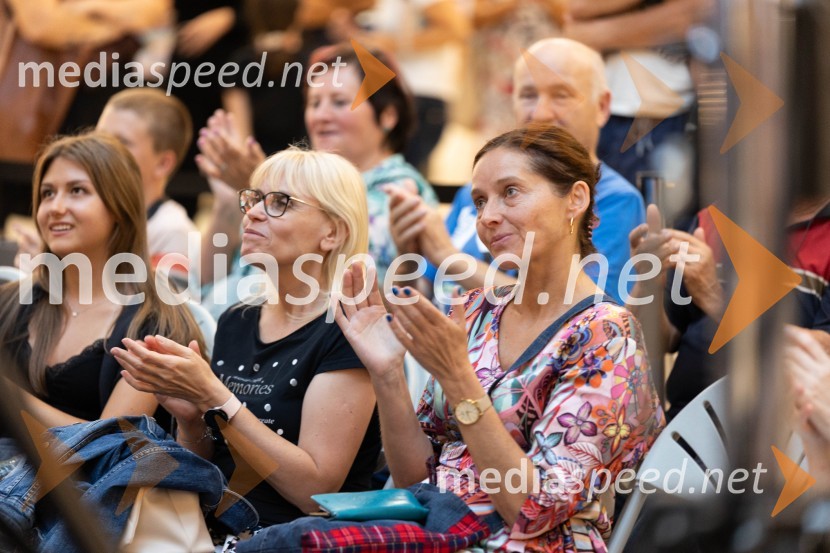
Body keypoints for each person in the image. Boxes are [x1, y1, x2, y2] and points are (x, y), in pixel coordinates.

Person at [334, 125, 665, 551]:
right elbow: (416, 481)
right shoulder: (475, 311)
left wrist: (459, 379)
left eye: (510, 192)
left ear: (575, 199)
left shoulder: (607, 335)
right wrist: (388, 373)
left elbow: (532, 509)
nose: (487, 216)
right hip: (436, 530)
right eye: (479, 201)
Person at [112, 148, 382, 537]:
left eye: (280, 202)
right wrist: (191, 418)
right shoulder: (236, 320)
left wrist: (214, 396)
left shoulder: (348, 329)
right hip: (205, 529)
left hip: (293, 537)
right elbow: (204, 466)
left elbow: (315, 492)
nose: (253, 213)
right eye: (253, 199)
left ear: (333, 233)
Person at [389, 38, 645, 303]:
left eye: (561, 95)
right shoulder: (475, 192)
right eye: (528, 95)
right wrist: (407, 258)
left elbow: (586, 310)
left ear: (602, 106)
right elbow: (423, 296)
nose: (540, 113)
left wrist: (450, 258)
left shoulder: (614, 199)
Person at [196, 43, 438, 315]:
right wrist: (228, 204)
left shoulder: (402, 192)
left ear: (387, 115)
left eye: (339, 102)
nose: (321, 116)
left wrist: (266, 191)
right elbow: (205, 284)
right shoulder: (292, 179)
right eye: (314, 103)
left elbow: (381, 307)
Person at [0, 132, 205, 431]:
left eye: (77, 191)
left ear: (119, 207)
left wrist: (10, 397)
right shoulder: (9, 302)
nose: (56, 207)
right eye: (47, 193)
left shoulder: (156, 322)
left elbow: (110, 443)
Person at [14, 89, 200, 280]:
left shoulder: (172, 230)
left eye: (121, 143)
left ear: (163, 164)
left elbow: (156, 297)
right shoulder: (87, 214)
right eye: (99, 139)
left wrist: (56, 270)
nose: (104, 151)